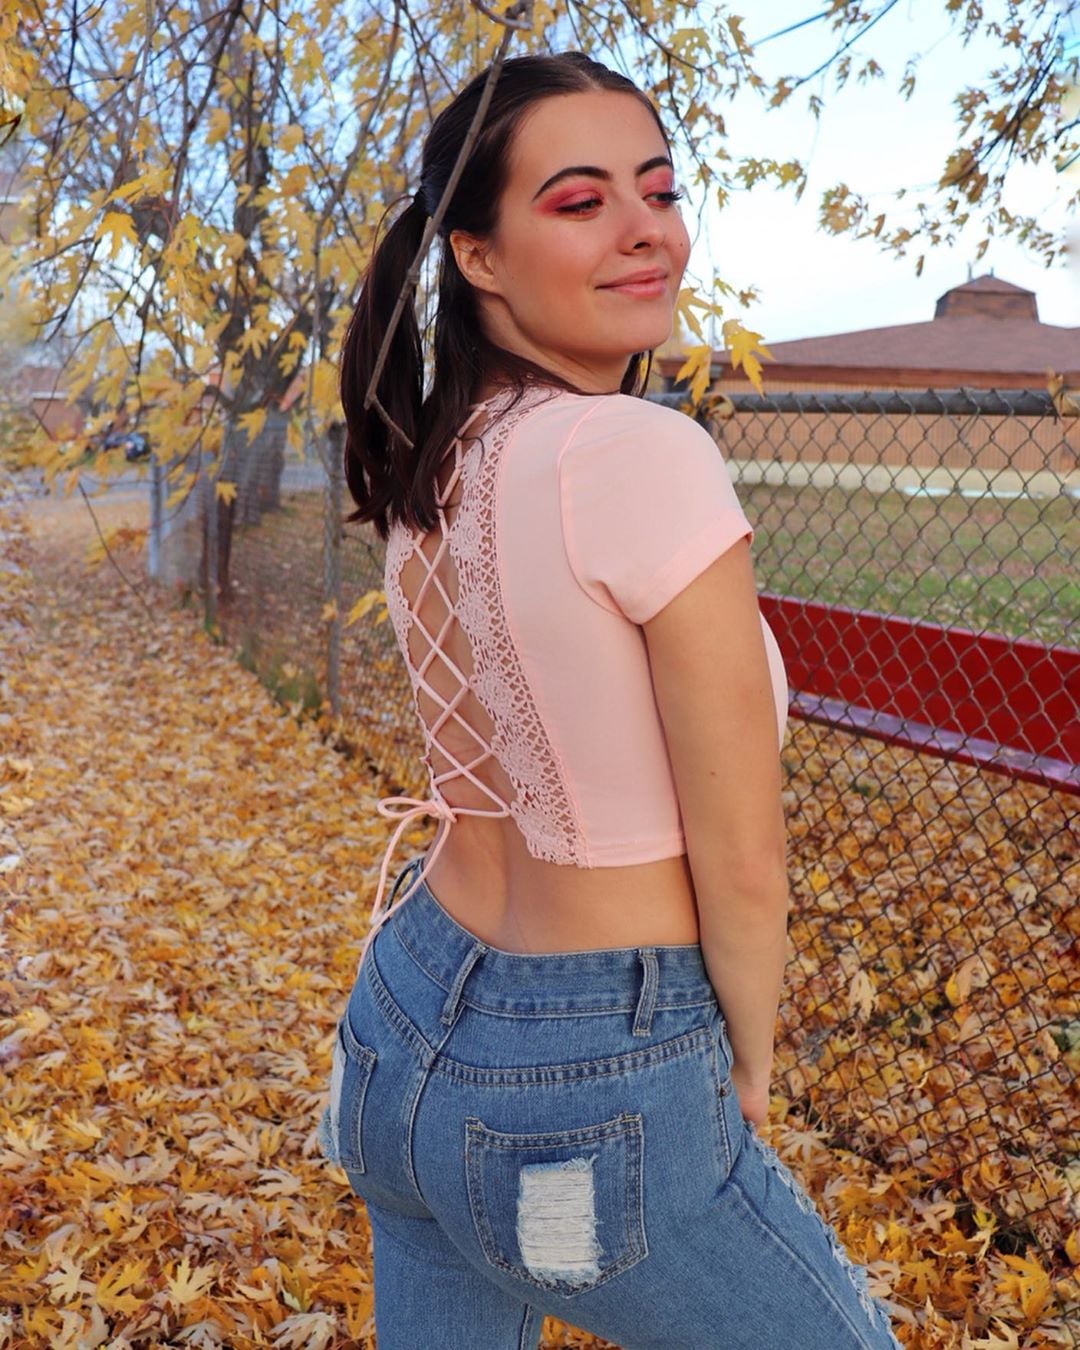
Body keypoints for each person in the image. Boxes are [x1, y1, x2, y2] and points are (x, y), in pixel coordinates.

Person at [319, 50, 902, 1350]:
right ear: (476, 254)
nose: (646, 229)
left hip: (402, 1029)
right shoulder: (639, 452)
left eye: (660, 189)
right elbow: (741, 859)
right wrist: (742, 1066)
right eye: (581, 201)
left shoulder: (438, 449)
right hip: (583, 1080)